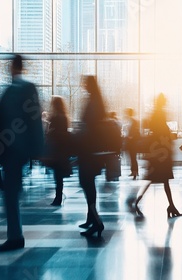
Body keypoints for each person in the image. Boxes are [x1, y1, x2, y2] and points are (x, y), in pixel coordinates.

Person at [0, 55, 44, 251]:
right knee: (11, 192)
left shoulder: (8, 91)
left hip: (10, 149)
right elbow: (35, 118)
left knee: (11, 193)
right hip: (18, 149)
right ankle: (15, 234)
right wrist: (38, 149)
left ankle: (15, 236)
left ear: (12, 67)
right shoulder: (28, 88)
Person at [132, 93, 182, 218]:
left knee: (155, 179)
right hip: (161, 154)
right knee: (161, 179)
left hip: (158, 153)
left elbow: (155, 132)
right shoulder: (159, 114)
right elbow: (162, 133)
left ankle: (170, 205)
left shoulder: (156, 114)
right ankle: (169, 206)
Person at [77, 75, 106, 237]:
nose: (83, 85)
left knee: (87, 184)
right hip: (93, 151)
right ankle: (92, 219)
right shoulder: (97, 102)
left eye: (84, 83)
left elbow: (88, 127)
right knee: (89, 185)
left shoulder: (92, 103)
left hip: (88, 151)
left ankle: (96, 221)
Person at [47, 96, 71, 206]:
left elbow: (52, 132)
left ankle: (58, 198)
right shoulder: (64, 117)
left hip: (56, 150)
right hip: (63, 149)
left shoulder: (55, 117)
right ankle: (58, 196)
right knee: (59, 176)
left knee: (57, 176)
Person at [124, 107, 140, 179]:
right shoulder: (130, 121)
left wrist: (131, 136)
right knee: (132, 157)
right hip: (131, 142)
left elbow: (136, 132)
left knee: (133, 157)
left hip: (133, 143)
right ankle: (134, 171)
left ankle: (135, 171)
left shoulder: (133, 121)